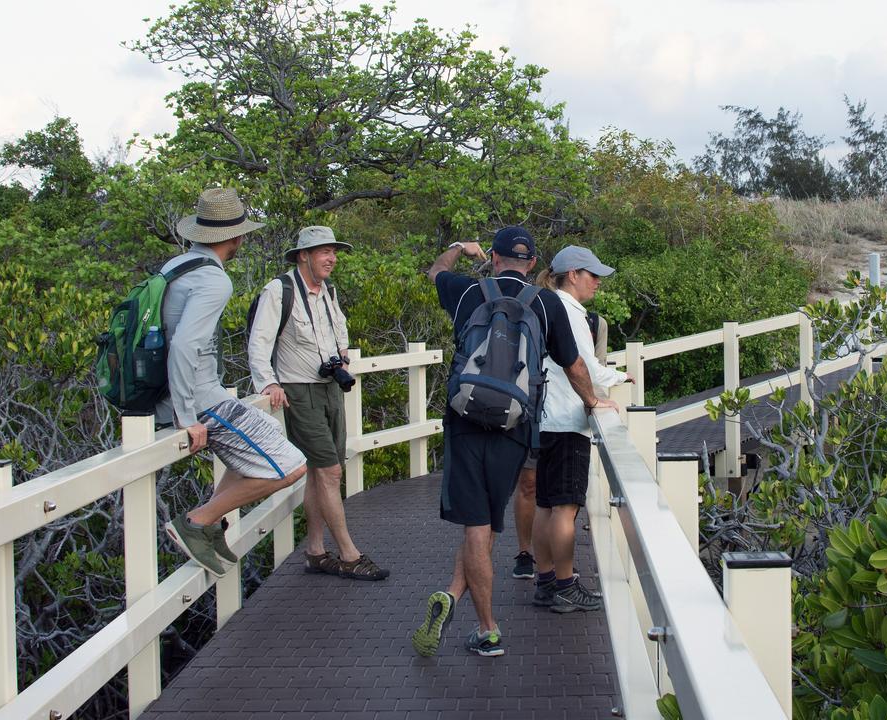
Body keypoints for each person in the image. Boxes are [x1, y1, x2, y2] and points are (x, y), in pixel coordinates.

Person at [412, 226, 617, 658]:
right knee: (488, 521)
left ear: (493, 257)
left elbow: (434, 273)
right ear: (533, 265)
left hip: (465, 420)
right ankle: (455, 594)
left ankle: (486, 628)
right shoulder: (545, 303)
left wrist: (455, 250)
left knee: (476, 523)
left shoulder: (467, 292)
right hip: (517, 425)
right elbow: (575, 364)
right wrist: (593, 399)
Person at [159, 188, 308, 577]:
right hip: (202, 401)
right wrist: (186, 416)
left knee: (253, 454)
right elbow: (184, 346)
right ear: (236, 236)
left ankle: (210, 525)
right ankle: (196, 523)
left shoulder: (175, 267)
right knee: (289, 467)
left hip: (189, 394)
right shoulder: (213, 280)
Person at [247, 226, 388, 581]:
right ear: (303, 256)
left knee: (317, 470)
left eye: (333, 251)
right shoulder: (279, 291)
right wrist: (268, 382)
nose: (332, 258)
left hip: (329, 387)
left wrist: (341, 355)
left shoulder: (328, 292)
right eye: (323, 251)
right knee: (330, 471)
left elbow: (339, 332)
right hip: (297, 390)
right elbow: (259, 344)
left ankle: (314, 550)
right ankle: (349, 554)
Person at [532, 246, 628, 612]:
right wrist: (607, 387)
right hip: (567, 418)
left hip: (543, 418)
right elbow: (583, 366)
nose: (598, 282)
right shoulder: (569, 312)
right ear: (572, 274)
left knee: (546, 504)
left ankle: (545, 580)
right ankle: (565, 584)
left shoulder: (546, 304)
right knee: (566, 507)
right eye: (592, 275)